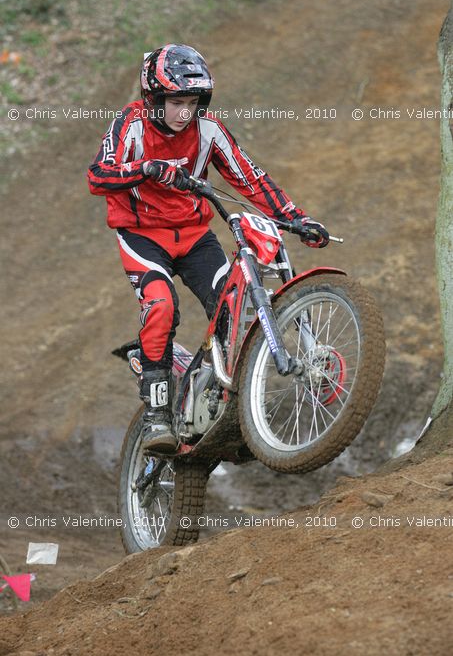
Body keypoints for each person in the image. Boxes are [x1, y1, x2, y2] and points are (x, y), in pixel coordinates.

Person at [87, 43, 329, 454]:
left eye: (193, 102)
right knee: (161, 307)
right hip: (143, 236)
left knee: (232, 308)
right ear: (153, 99)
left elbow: (250, 177)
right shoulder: (130, 124)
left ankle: (225, 402)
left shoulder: (208, 129)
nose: (185, 112)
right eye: (176, 101)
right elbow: (97, 176)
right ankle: (158, 415)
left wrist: (295, 217)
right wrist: (144, 169)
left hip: (196, 236)